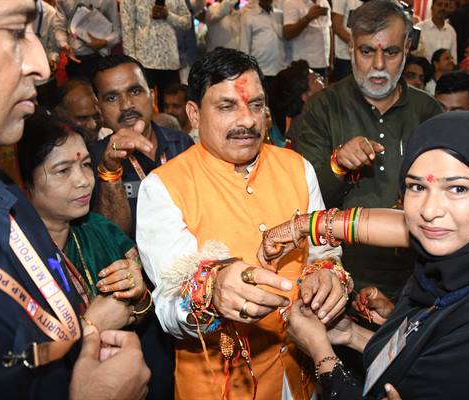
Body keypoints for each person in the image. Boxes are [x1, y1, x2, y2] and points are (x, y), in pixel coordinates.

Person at [261, 111, 469, 399]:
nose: (430, 210)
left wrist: (321, 353)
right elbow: (426, 354)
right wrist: (352, 334)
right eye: (417, 187)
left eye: (457, 188)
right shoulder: (455, 266)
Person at [136, 47, 347, 400]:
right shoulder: (163, 188)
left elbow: (324, 251)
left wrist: (327, 275)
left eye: (256, 105)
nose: (247, 121)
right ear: (194, 114)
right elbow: (170, 306)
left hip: (302, 373)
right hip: (222, 388)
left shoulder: (297, 167)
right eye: (227, 106)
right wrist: (213, 293)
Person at [0, 0, 149, 398]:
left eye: (86, 166)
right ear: (28, 182)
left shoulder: (6, 208)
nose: (43, 64)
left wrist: (138, 297)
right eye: (13, 31)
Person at [296, 0, 442, 297]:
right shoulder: (322, 108)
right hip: (339, 277)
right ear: (350, 49)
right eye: (366, 51)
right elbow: (303, 206)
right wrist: (338, 166)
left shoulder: (428, 112)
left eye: (390, 52)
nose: (378, 65)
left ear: (406, 50)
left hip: (416, 278)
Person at [89, 54, 194, 237]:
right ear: (100, 110)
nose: (126, 105)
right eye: (112, 98)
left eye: (135, 91)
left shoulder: (182, 144)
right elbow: (111, 239)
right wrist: (110, 170)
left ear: (152, 96)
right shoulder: (94, 157)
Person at [120, 0, 190, 108]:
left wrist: (168, 15)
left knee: (173, 108)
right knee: (142, 108)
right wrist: (131, 62)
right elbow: (127, 29)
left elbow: (187, 23)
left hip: (170, 61)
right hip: (143, 62)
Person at [54, 0, 121, 79]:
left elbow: (117, 32)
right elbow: (59, 27)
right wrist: (63, 44)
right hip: (75, 59)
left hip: (101, 58)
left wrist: (104, 42)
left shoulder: (108, 1)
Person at [269, 60, 325, 147]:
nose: (322, 79)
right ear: (305, 96)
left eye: (318, 76)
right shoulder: (305, 128)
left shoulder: (310, 116)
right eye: (316, 80)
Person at [239, 0, 287, 83]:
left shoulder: (279, 14)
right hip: (261, 71)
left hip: (280, 69)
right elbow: (244, 47)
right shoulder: (248, 16)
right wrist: (245, 72)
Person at [283, 0, 332, 77]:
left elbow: (328, 30)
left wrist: (330, 61)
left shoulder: (324, 2)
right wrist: (308, 17)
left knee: (323, 89)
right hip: (304, 65)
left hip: (324, 63)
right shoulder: (291, 2)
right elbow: (288, 34)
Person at [415, 0, 458, 64]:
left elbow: (453, 59)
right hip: (424, 71)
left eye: (446, 6)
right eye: (439, 4)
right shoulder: (419, 28)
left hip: (444, 73)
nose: (443, 8)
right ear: (432, 7)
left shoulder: (451, 31)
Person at [331, 0, 363, 81]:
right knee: (345, 91)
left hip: (364, 57)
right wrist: (358, 45)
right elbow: (336, 26)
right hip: (345, 58)